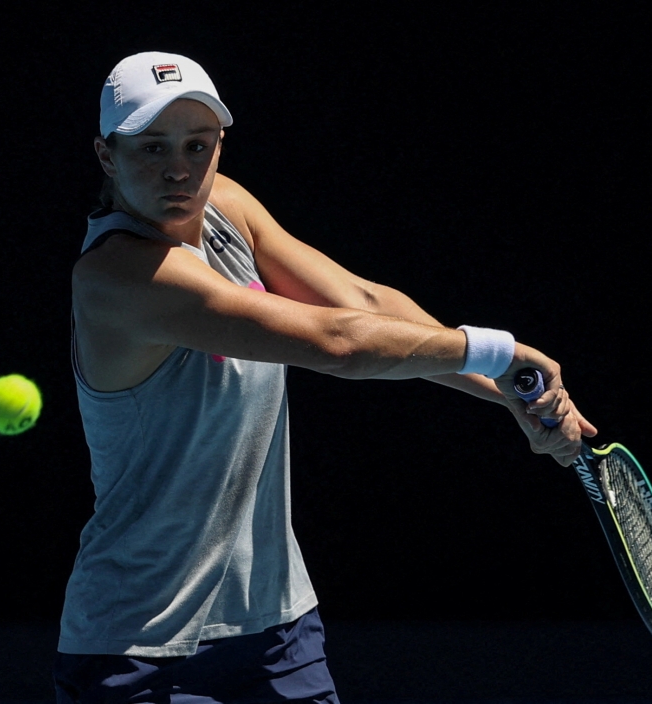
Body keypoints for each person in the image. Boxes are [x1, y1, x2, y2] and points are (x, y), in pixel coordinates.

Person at [53, 51, 597, 703]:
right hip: (139, 646)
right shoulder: (116, 279)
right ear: (106, 156)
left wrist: (506, 394)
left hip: (278, 634)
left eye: (198, 145)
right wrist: (497, 353)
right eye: (151, 147)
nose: (179, 169)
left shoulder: (227, 207)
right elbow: (336, 343)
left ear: (220, 146)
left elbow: (363, 304)